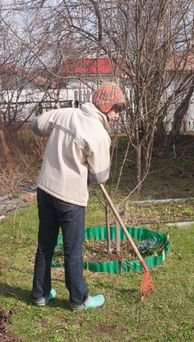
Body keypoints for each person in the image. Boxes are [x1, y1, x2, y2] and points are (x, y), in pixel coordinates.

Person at [31, 82, 125, 311]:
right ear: (106, 108)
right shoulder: (99, 135)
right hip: (70, 198)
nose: (116, 116)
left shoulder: (65, 114)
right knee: (73, 249)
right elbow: (100, 177)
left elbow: (36, 125)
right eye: (116, 110)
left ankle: (40, 294)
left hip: (45, 189)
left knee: (45, 243)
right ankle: (78, 300)